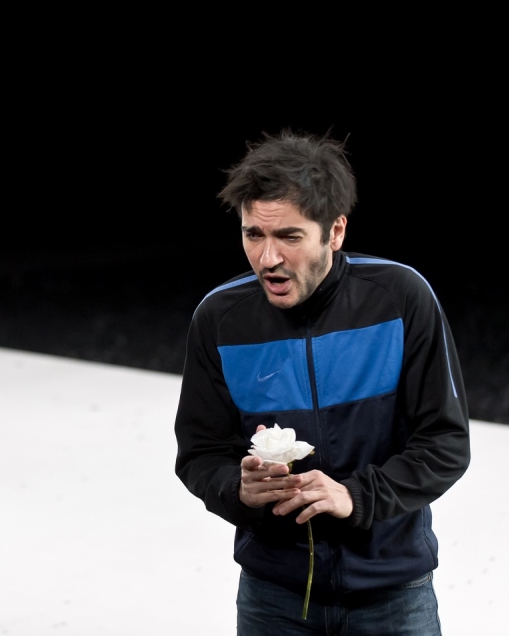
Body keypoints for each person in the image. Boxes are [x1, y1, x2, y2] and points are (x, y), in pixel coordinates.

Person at [173, 129, 470, 634]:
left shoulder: (400, 298)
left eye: (289, 237)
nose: (268, 258)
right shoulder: (219, 319)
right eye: (253, 234)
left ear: (335, 231)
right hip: (273, 597)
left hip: (393, 595)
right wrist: (239, 490)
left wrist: (357, 497)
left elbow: (445, 443)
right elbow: (200, 453)